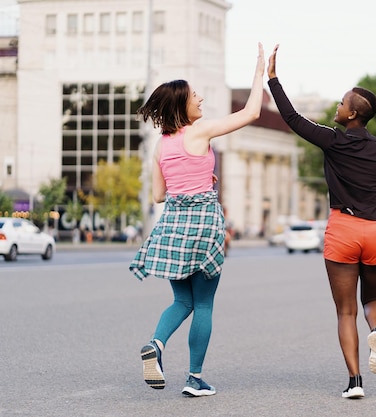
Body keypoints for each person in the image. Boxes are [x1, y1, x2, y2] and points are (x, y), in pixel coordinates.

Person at [266, 45, 376, 399]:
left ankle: (354, 382)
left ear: (351, 115)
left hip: (343, 231)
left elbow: (292, 119)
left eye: (340, 103)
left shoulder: (333, 141)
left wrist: (273, 79)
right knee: (373, 300)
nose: (336, 107)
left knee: (345, 311)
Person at [129, 43, 266, 397]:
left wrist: (199, 177)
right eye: (195, 96)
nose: (201, 99)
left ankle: (156, 344)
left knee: (182, 302)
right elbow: (251, 112)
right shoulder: (200, 132)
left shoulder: (161, 146)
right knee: (203, 303)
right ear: (182, 106)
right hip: (204, 223)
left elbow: (159, 195)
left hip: (173, 225)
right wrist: (259, 71)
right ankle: (194, 378)